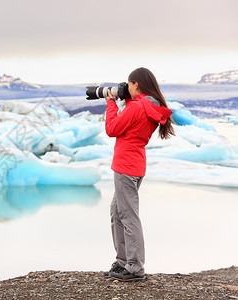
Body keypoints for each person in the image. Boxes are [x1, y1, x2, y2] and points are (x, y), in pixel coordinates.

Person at [103, 67, 175, 281]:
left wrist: (110, 102)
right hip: (134, 164)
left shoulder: (139, 106)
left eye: (129, 84)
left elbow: (112, 129)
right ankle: (123, 261)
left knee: (127, 215)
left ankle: (134, 267)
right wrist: (126, 101)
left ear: (136, 84)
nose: (128, 87)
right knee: (117, 212)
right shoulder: (150, 106)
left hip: (125, 165)